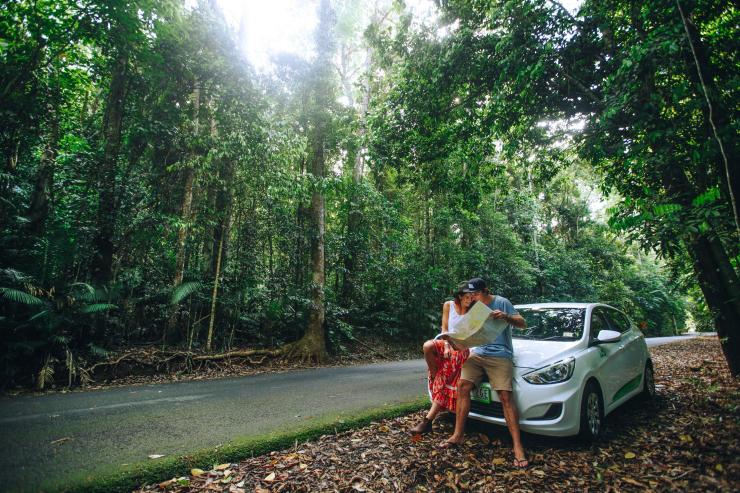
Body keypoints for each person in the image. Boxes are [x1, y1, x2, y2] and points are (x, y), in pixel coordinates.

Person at [439, 277, 529, 469]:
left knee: (505, 395)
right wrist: (455, 340)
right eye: (471, 295)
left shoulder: (502, 302)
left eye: (476, 294)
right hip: (478, 353)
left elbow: (522, 323)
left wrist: (506, 316)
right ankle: (458, 435)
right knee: (462, 386)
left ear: (486, 291)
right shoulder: (473, 307)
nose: (472, 298)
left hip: (500, 355)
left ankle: (518, 446)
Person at [409, 283, 474, 434]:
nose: (470, 300)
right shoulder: (448, 305)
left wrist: (467, 310)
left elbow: (470, 336)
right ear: (459, 296)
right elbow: (444, 329)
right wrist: (445, 345)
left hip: (463, 347)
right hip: (448, 342)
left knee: (453, 360)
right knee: (428, 346)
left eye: (472, 297)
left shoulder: (473, 310)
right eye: (467, 297)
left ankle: (427, 421)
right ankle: (435, 375)